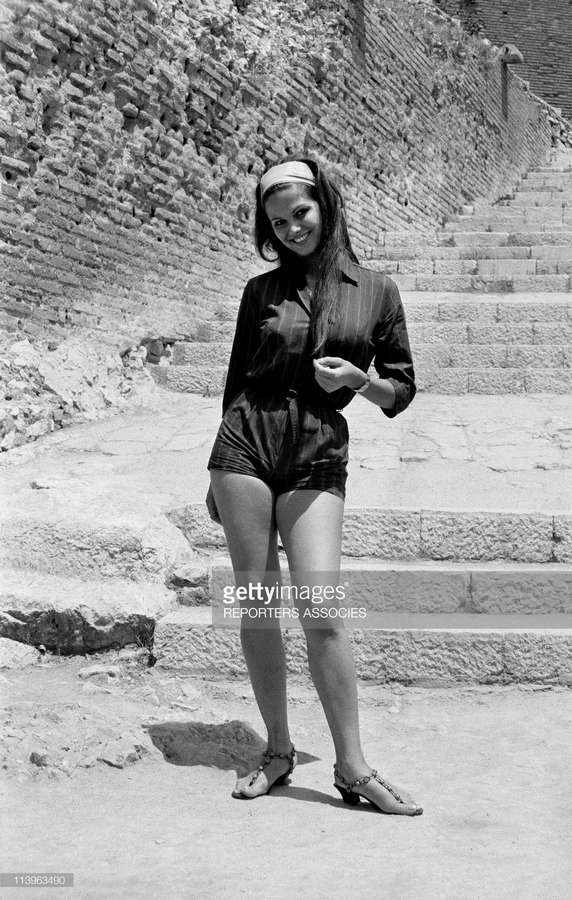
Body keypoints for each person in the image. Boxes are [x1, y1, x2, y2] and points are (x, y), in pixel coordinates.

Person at [206, 157, 422, 816]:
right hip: (246, 446)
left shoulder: (376, 290)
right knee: (256, 602)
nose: (291, 229)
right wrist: (214, 474)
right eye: (277, 222)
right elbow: (237, 381)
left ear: (325, 205)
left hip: (317, 452)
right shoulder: (259, 292)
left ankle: (352, 766)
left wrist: (358, 382)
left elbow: (401, 388)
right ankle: (276, 750)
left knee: (322, 611)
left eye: (300, 213)